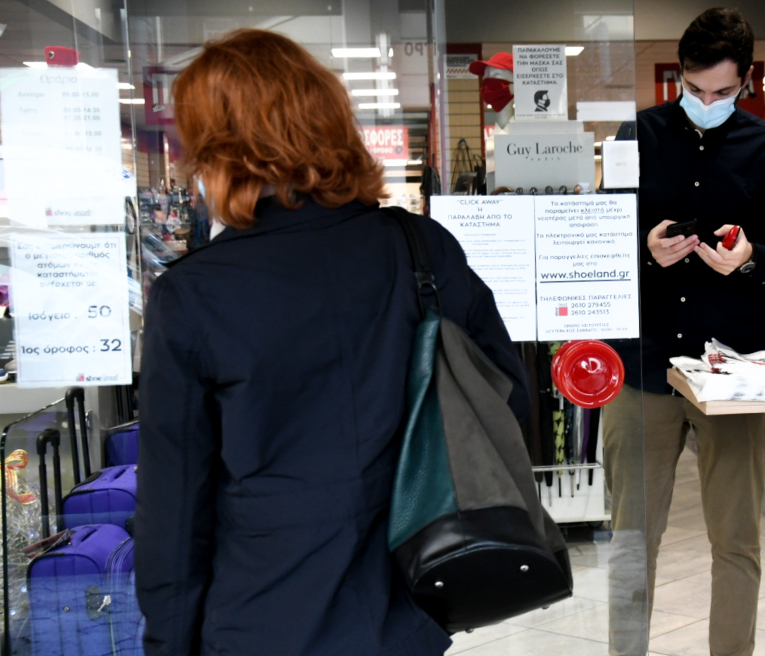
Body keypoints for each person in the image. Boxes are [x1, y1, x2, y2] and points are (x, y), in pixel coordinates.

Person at [136, 29, 528, 656]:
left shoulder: (195, 295)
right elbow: (506, 404)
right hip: (410, 605)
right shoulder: (421, 249)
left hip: (262, 618)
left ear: (217, 151)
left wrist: (168, 644)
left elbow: (174, 514)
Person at [603, 8, 765, 656]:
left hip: (732, 372)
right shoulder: (633, 135)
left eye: (722, 93)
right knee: (633, 537)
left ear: (745, 81)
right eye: (694, 90)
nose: (706, 103)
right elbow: (596, 240)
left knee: (737, 541)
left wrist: (750, 257)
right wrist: (642, 247)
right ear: (679, 76)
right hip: (642, 365)